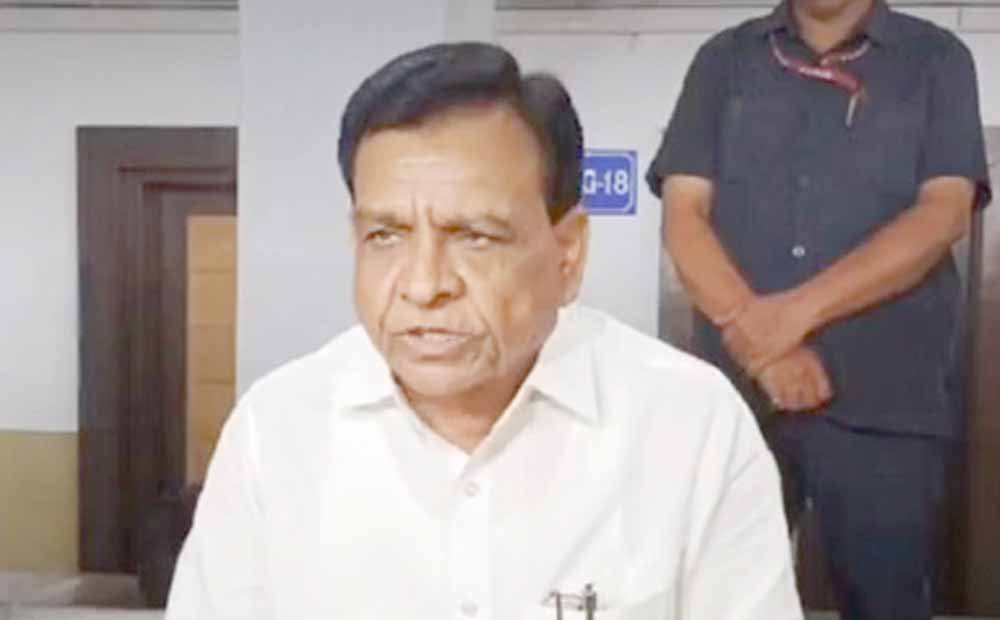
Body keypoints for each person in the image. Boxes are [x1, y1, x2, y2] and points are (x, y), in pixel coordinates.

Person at [166, 42, 802, 619]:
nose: (424, 286)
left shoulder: (689, 427)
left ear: (568, 254)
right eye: (385, 235)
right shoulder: (277, 432)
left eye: (474, 237)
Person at [648, 1, 992, 619]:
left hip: (886, 404)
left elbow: (943, 214)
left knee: (887, 602)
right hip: (739, 399)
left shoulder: (937, 59)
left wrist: (791, 317)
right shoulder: (723, 61)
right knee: (716, 600)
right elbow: (683, 216)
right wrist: (762, 348)